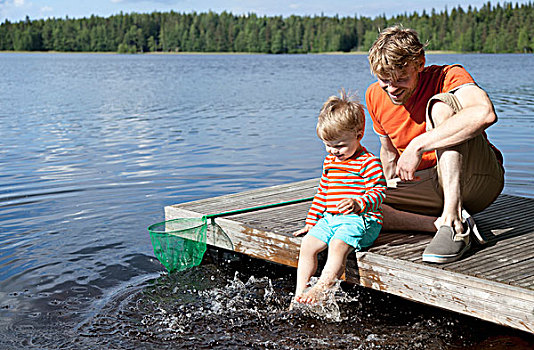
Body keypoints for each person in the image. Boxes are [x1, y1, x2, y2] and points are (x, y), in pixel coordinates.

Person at [365, 25, 504, 263]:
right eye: (385, 80)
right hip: (427, 185)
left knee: (441, 104)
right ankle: (439, 224)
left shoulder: (448, 75)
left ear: (420, 63)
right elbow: (387, 152)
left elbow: (484, 113)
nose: (392, 89)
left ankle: (454, 223)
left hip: (478, 178)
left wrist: (418, 145)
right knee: (358, 203)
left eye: (401, 79)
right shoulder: (374, 96)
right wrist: (382, 187)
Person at [293, 91, 386, 304]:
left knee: (337, 244)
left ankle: (322, 288)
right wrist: (311, 222)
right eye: (328, 145)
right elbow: (323, 193)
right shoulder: (330, 162)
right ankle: (299, 292)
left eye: (339, 145)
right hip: (330, 218)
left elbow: (379, 192)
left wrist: (359, 203)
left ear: (359, 134)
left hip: (361, 221)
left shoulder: (368, 162)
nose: (333, 151)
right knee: (308, 244)